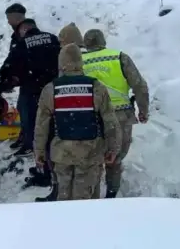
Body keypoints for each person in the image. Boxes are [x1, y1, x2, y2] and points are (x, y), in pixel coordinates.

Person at [34, 44, 121, 201]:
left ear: (61, 64)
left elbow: (41, 125)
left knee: (64, 196)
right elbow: (110, 121)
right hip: (90, 152)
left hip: (61, 153)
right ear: (81, 63)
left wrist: (39, 151)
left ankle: (66, 224)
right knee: (87, 196)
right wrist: (113, 148)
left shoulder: (51, 89)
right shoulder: (96, 86)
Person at [82, 29, 150, 198]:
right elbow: (139, 85)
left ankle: (91, 194)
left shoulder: (79, 61)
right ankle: (111, 195)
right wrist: (143, 110)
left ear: (86, 44)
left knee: (93, 158)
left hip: (91, 116)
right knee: (115, 158)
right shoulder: (119, 57)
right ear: (103, 41)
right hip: (120, 115)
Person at [33, 21, 85, 202]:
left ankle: (60, 193)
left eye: (62, 41)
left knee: (58, 159)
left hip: (67, 118)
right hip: (87, 119)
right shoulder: (89, 56)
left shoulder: (69, 59)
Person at [5, 18, 61, 157]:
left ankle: (30, 145)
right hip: (51, 85)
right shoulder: (52, 38)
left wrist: (4, 83)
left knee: (28, 117)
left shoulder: (22, 43)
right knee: (48, 116)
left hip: (31, 87)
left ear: (24, 29)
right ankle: (44, 143)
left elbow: (11, 65)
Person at [0, 3, 28, 150]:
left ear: (15, 17)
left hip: (31, 81)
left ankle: (28, 142)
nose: (8, 22)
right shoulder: (20, 34)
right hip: (28, 80)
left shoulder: (23, 35)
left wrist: (3, 78)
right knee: (22, 108)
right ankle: (25, 137)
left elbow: (13, 59)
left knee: (27, 110)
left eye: (9, 18)